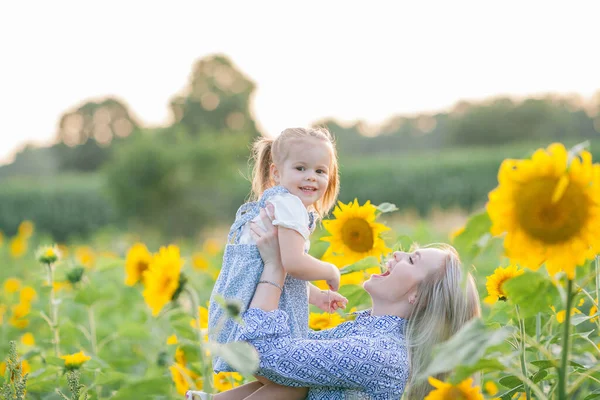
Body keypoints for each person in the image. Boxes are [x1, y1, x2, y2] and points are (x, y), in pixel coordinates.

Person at [192, 207, 482, 399]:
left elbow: (258, 355)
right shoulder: (366, 331)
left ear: (418, 296)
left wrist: (275, 266)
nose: (397, 254)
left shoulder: (379, 353)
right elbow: (288, 369)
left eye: (411, 259)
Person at [207, 128, 348, 399]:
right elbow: (294, 263)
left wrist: (316, 296)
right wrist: (329, 270)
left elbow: (284, 270)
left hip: (235, 312)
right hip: (254, 319)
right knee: (293, 384)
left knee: (277, 384)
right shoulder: (289, 206)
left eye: (320, 171)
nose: (311, 176)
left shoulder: (272, 205)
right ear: (276, 173)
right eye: (300, 168)